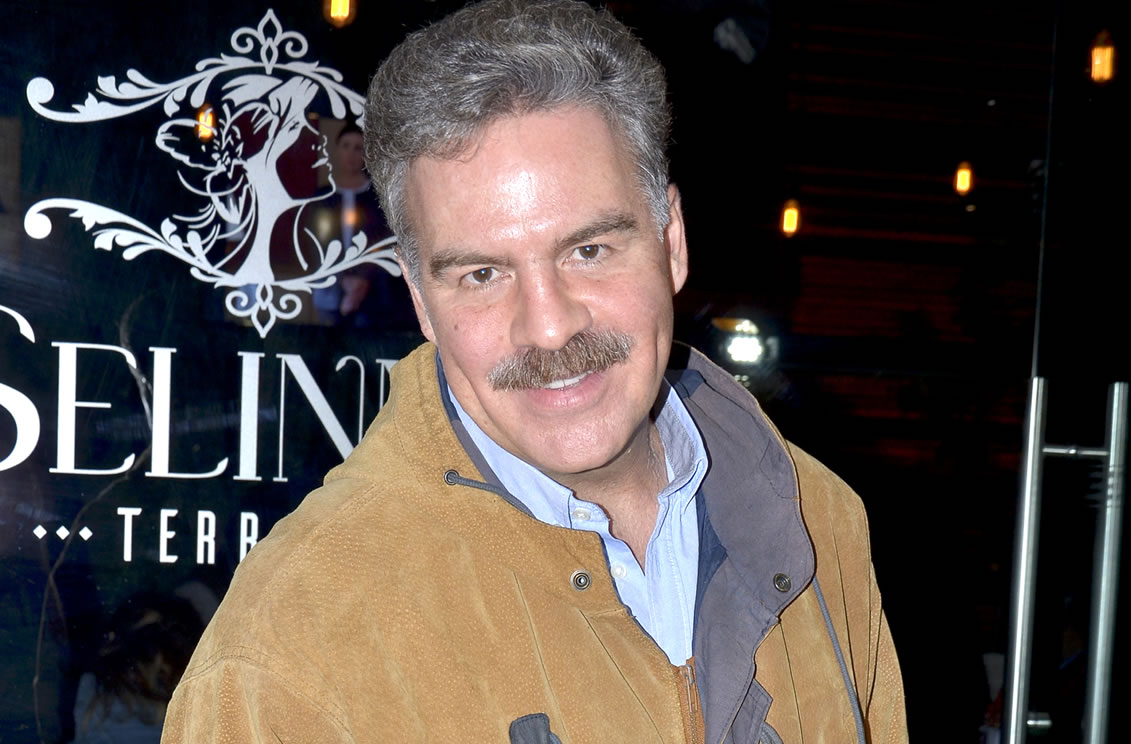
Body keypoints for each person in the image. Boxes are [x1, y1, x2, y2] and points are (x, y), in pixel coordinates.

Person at [162, 2, 907, 742]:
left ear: (671, 241)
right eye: (482, 274)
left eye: (588, 250)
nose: (549, 326)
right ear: (421, 300)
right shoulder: (288, 653)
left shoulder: (817, 520)